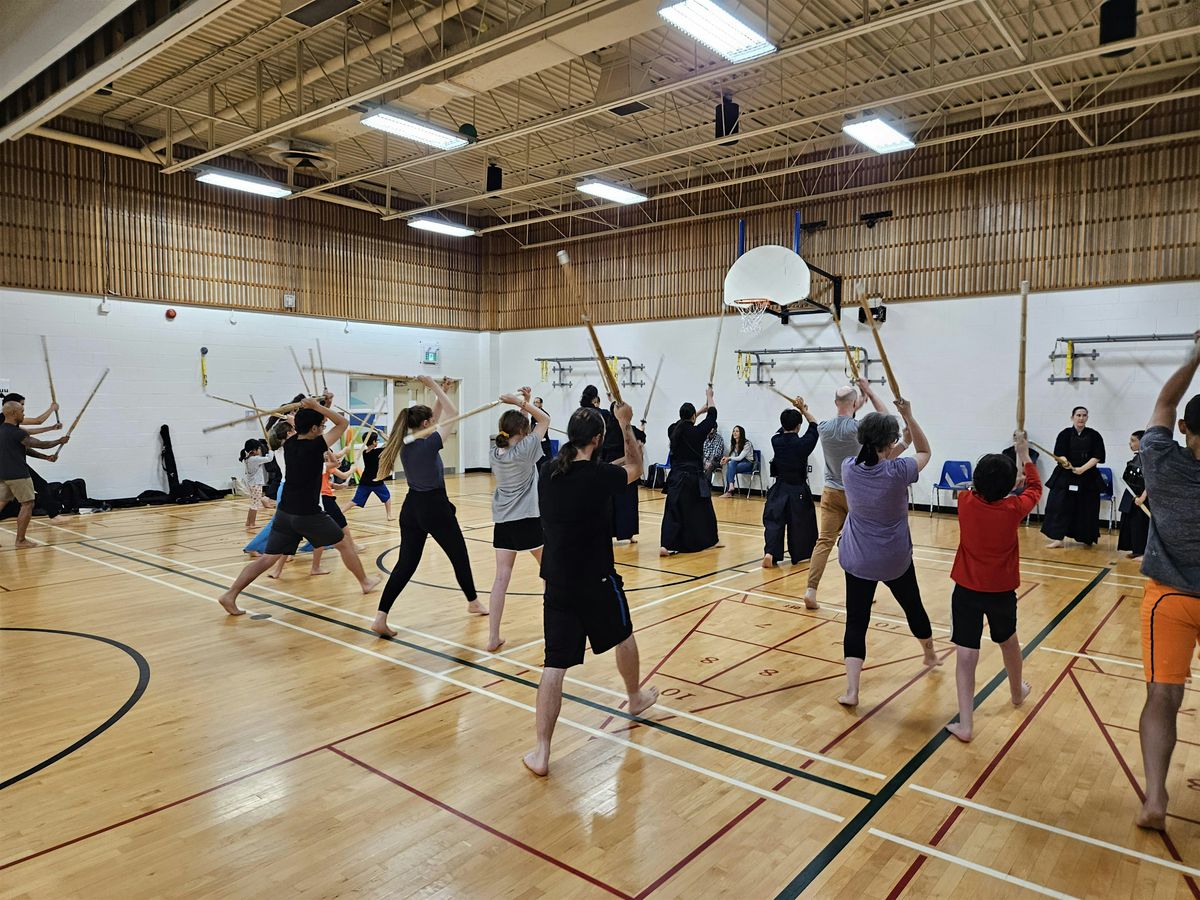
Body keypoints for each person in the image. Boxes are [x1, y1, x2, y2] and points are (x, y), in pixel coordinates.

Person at [522, 402, 658, 777]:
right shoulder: (599, 478)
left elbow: (596, 472)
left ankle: (542, 751)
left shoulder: (548, 471)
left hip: (558, 582)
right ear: (599, 440)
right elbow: (635, 467)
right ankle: (634, 698)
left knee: (555, 664)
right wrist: (625, 425)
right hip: (597, 579)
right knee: (624, 634)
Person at [217, 398, 380, 614]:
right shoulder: (314, 446)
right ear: (313, 429)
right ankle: (365, 582)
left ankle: (230, 594)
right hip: (308, 514)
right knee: (344, 544)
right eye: (321, 427)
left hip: (285, 512)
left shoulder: (290, 443)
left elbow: (299, 424)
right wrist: (318, 407)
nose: (323, 429)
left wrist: (311, 409)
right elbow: (342, 423)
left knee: (268, 558)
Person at [1135, 333, 1200, 832]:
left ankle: (1155, 799)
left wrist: (1195, 354)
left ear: (1184, 429)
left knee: (1162, 697)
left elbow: (1163, 400)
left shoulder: (1161, 461)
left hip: (1170, 598)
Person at [837, 400, 939, 706]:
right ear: (889, 443)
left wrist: (900, 439)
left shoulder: (848, 468)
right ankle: (930, 655)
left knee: (856, 621)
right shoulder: (898, 472)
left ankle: (852, 691)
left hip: (857, 557)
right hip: (894, 559)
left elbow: (875, 458)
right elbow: (925, 452)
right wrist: (909, 415)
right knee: (913, 607)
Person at [944, 431, 1043, 743]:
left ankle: (967, 724)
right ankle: (1017, 692)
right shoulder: (1014, 509)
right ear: (1009, 485)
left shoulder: (965, 502)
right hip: (1001, 592)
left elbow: (976, 487)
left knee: (966, 655)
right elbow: (1035, 487)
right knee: (1008, 642)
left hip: (966, 591)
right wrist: (1025, 455)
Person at [371, 376, 484, 637]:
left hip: (412, 509)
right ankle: (473, 602)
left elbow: (434, 416)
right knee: (459, 556)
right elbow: (453, 413)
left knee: (405, 565)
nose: (434, 422)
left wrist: (439, 392)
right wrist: (434, 386)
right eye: (430, 421)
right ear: (424, 425)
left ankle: (380, 617)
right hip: (435, 508)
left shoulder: (405, 443)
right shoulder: (430, 443)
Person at [804, 379, 887, 608]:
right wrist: (868, 390)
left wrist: (804, 410)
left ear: (834, 403)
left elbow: (813, 420)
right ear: (852, 404)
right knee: (865, 542)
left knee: (824, 542)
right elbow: (885, 418)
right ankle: (865, 592)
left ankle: (811, 590)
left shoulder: (823, 428)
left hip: (830, 492)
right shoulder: (859, 429)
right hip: (856, 494)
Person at [488, 388, 551, 652]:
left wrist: (521, 407)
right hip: (527, 519)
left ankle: (493, 637)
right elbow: (545, 420)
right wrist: (521, 402)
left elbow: (521, 430)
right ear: (524, 431)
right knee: (550, 573)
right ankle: (554, 630)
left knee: (501, 578)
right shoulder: (526, 449)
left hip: (503, 521)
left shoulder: (495, 451)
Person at [660, 388, 721, 556]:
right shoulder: (697, 432)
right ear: (693, 417)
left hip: (675, 477)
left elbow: (683, 422)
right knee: (702, 510)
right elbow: (713, 416)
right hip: (692, 478)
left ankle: (666, 545)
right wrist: (709, 397)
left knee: (673, 510)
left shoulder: (673, 430)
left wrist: (698, 411)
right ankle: (708, 540)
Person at [0, 398, 69, 547]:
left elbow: (25, 448)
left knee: (1, 503)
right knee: (27, 504)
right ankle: (20, 540)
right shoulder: (16, 432)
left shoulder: (2, 430)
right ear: (13, 413)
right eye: (21, 411)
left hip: (3, 475)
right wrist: (59, 441)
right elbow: (38, 444)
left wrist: (45, 457)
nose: (24, 414)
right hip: (18, 474)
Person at [762, 398, 819, 572]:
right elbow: (815, 425)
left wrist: (797, 413)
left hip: (779, 487)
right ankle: (800, 554)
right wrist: (803, 409)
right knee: (800, 522)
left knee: (774, 521)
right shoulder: (803, 444)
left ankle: (771, 552)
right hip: (797, 489)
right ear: (798, 426)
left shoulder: (775, 441)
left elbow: (783, 430)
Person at [1041, 407, 1106, 548]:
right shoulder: (1064, 434)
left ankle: (1086, 538)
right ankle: (1057, 539)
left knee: (1087, 508)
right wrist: (1065, 462)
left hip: (1087, 475)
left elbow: (1098, 456)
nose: (1081, 418)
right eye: (1078, 415)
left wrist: (1082, 469)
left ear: (1087, 417)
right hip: (1065, 475)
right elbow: (1059, 453)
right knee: (1059, 506)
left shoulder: (1094, 435)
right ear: (1072, 417)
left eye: (1084, 415)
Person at [608, 400, 646, 544]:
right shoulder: (620, 429)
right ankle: (627, 533)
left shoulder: (608, 429)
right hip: (623, 471)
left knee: (619, 503)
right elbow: (641, 437)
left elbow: (641, 437)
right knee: (624, 503)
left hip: (615, 471)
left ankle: (626, 534)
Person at [343, 431, 393, 519]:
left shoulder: (365, 452)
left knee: (355, 501)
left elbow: (384, 446)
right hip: (376, 481)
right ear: (374, 442)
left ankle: (340, 512)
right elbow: (390, 442)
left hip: (364, 481)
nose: (377, 442)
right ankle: (389, 515)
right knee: (387, 497)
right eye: (377, 440)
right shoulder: (378, 452)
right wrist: (382, 434)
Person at [1117, 430, 1150, 560]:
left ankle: (1142, 551)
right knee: (1129, 522)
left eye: (1133, 440)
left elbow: (1151, 480)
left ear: (1142, 442)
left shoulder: (1149, 458)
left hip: (1142, 497)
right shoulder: (1137, 457)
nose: (1130, 444)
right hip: (1130, 495)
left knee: (1140, 524)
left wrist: (1142, 497)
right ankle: (1135, 549)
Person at [240, 439, 274, 529]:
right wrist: (270, 449)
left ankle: (248, 522)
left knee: (253, 503)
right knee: (255, 505)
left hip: (252, 484)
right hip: (256, 484)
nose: (260, 450)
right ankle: (252, 523)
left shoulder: (248, 459)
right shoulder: (254, 459)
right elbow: (269, 458)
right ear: (254, 450)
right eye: (259, 448)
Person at [720, 425, 755, 497]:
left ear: (741, 433)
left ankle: (729, 491)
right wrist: (725, 460)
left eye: (737, 431)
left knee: (730, 466)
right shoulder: (733, 444)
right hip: (738, 463)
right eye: (733, 431)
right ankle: (730, 487)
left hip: (748, 463)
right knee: (730, 464)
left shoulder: (747, 444)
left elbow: (739, 458)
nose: (734, 433)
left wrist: (728, 458)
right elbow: (733, 458)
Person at [533, 397, 553, 471]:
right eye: (534, 402)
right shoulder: (533, 415)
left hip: (544, 442)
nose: (535, 404)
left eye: (537, 402)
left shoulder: (545, 415)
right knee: (538, 463)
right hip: (536, 442)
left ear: (541, 404)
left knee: (547, 462)